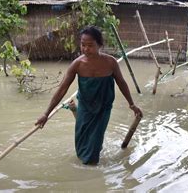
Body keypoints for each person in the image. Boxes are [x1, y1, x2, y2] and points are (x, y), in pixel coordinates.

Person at [35, 26, 143, 165]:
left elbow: (122, 83)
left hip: (104, 106)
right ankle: (86, 162)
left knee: (95, 138)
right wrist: (46, 114)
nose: (86, 49)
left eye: (90, 45)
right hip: (85, 106)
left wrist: (132, 105)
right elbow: (62, 89)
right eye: (83, 45)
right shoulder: (77, 64)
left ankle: (91, 167)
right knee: (81, 138)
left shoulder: (110, 63)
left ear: (100, 45)